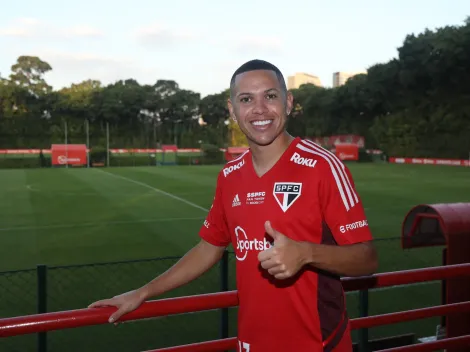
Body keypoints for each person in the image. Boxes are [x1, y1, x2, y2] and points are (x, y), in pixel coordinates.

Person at [89, 59, 378, 351]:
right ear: (232, 110)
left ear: (288, 103)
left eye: (270, 96)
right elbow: (209, 247)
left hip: (318, 343)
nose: (260, 109)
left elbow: (367, 259)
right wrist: (144, 292)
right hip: (251, 343)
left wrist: (306, 253)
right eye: (246, 99)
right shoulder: (229, 176)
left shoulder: (322, 167)